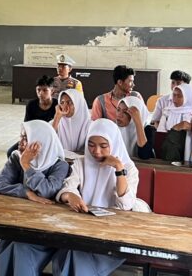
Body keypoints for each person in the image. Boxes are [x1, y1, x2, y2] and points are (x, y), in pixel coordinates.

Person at [54, 118, 148, 276]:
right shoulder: (81, 163)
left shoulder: (129, 168)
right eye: (91, 145)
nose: (96, 151)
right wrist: (70, 196)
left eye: (103, 146)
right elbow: (68, 186)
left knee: (76, 254)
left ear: (114, 143)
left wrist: (118, 169)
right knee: (71, 251)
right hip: (86, 227)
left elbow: (125, 204)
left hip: (116, 232)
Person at [0, 120, 70, 276]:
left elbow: (47, 191)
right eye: (20, 137)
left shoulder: (59, 165)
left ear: (40, 141)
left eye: (26, 138)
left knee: (22, 250)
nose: (20, 143)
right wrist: (26, 192)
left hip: (47, 228)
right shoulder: (16, 158)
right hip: (20, 222)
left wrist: (27, 165)